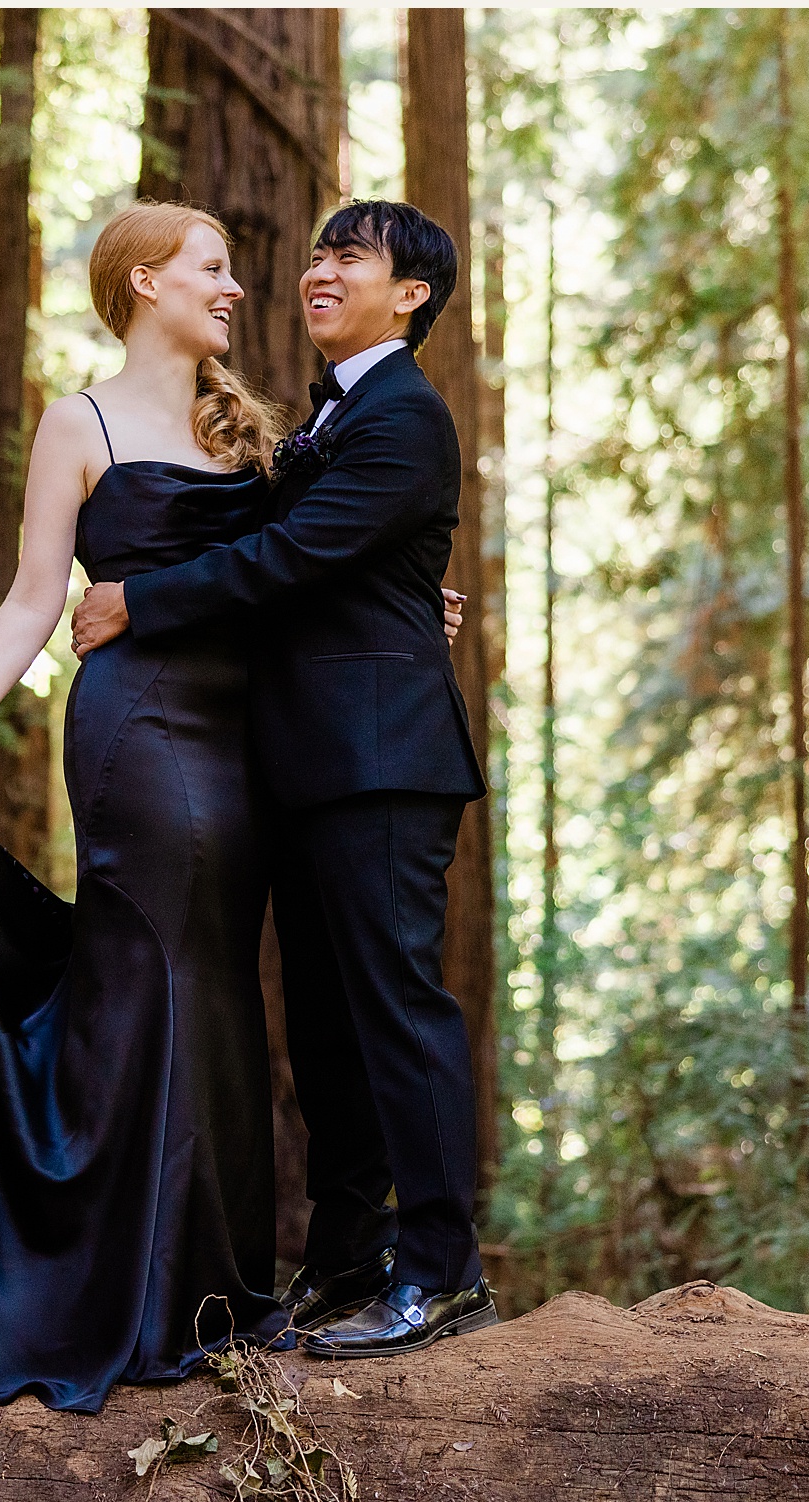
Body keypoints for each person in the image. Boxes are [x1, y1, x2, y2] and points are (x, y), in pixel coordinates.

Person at [0, 202, 460, 1411]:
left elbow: (316, 563)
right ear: (146, 280)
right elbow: (29, 598)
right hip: (140, 732)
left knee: (214, 987)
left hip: (250, 748)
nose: (235, 289)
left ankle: (204, 1284)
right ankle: (103, 1279)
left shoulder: (254, 424)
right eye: (212, 269)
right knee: (150, 967)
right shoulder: (82, 420)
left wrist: (418, 613)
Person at [70, 200, 497, 1359]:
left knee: (396, 1013)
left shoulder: (404, 415)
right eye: (316, 253)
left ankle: (445, 1269)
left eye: (348, 258)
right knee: (325, 1029)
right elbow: (326, 552)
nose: (317, 271)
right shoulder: (326, 418)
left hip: (382, 757)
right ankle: (344, 1258)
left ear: (408, 295)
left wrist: (138, 598)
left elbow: (295, 555)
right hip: (305, 760)